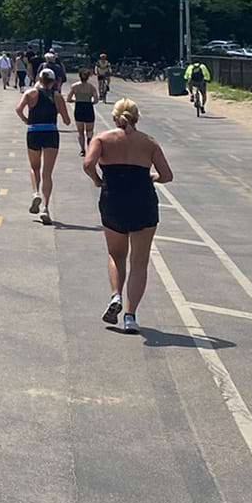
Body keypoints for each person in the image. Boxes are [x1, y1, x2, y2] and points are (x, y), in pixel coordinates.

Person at [83, 99, 174, 334]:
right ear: (137, 117)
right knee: (140, 261)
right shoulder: (148, 142)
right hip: (143, 199)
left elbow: (87, 164)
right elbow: (167, 175)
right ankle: (131, 316)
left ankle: (116, 296)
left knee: (116, 254)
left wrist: (97, 180)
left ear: (115, 117)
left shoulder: (102, 139)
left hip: (113, 198)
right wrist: (152, 177)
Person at [16, 68, 72, 225]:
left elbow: (18, 109)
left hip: (34, 131)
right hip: (51, 133)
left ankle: (35, 193)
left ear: (39, 79)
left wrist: (26, 120)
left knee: (34, 167)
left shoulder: (30, 94)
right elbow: (67, 121)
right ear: (54, 81)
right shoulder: (57, 96)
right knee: (47, 173)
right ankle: (45, 208)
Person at [68, 68, 100, 152]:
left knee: (80, 132)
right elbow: (96, 100)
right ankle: (89, 146)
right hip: (88, 108)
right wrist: (90, 102)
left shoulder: (74, 86)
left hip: (79, 107)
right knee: (89, 131)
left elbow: (69, 98)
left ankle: (82, 149)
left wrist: (75, 100)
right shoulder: (91, 87)